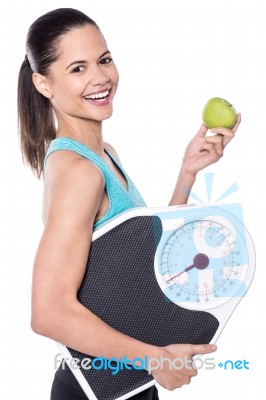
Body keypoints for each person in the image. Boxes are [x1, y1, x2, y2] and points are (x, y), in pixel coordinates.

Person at [17, 7, 240, 400]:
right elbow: (48, 312)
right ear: (43, 83)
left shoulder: (104, 154)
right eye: (77, 69)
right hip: (96, 387)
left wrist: (187, 172)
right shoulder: (80, 173)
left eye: (103, 60)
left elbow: (138, 264)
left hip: (128, 381)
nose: (100, 78)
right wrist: (154, 359)